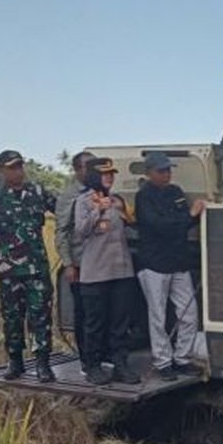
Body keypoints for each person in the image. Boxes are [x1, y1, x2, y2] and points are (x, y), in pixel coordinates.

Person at [0, 149, 58, 382]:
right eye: (12, 167)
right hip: (8, 271)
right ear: (1, 170)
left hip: (37, 269)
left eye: (20, 166)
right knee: (12, 317)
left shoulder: (38, 193)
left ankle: (43, 363)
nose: (18, 171)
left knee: (40, 315)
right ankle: (15, 361)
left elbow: (64, 211)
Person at [134, 151, 204, 381]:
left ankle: (183, 358)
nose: (166, 174)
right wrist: (188, 217)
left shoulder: (176, 192)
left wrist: (193, 215)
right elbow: (159, 225)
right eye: (161, 170)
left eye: (168, 170)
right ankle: (163, 362)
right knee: (158, 316)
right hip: (154, 263)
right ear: (150, 173)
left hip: (178, 262)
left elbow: (183, 220)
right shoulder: (143, 197)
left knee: (189, 312)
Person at [74, 157, 142, 385]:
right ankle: (92, 365)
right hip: (95, 273)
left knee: (120, 322)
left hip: (121, 271)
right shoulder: (84, 201)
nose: (110, 177)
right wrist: (97, 211)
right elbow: (81, 231)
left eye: (112, 174)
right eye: (105, 174)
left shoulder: (117, 200)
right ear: (94, 175)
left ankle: (120, 364)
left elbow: (133, 223)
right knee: (95, 323)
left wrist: (124, 211)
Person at [55, 150, 94, 366]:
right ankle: (85, 357)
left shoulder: (102, 191)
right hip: (80, 262)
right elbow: (62, 231)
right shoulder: (69, 196)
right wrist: (68, 264)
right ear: (77, 170)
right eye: (88, 166)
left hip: (100, 263)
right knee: (83, 312)